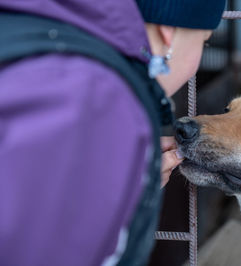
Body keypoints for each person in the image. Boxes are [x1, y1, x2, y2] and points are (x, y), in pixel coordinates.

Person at [0, 1, 226, 266]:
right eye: (204, 41)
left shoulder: (32, 40)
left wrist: (123, 181)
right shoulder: (93, 95)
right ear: (168, 32)